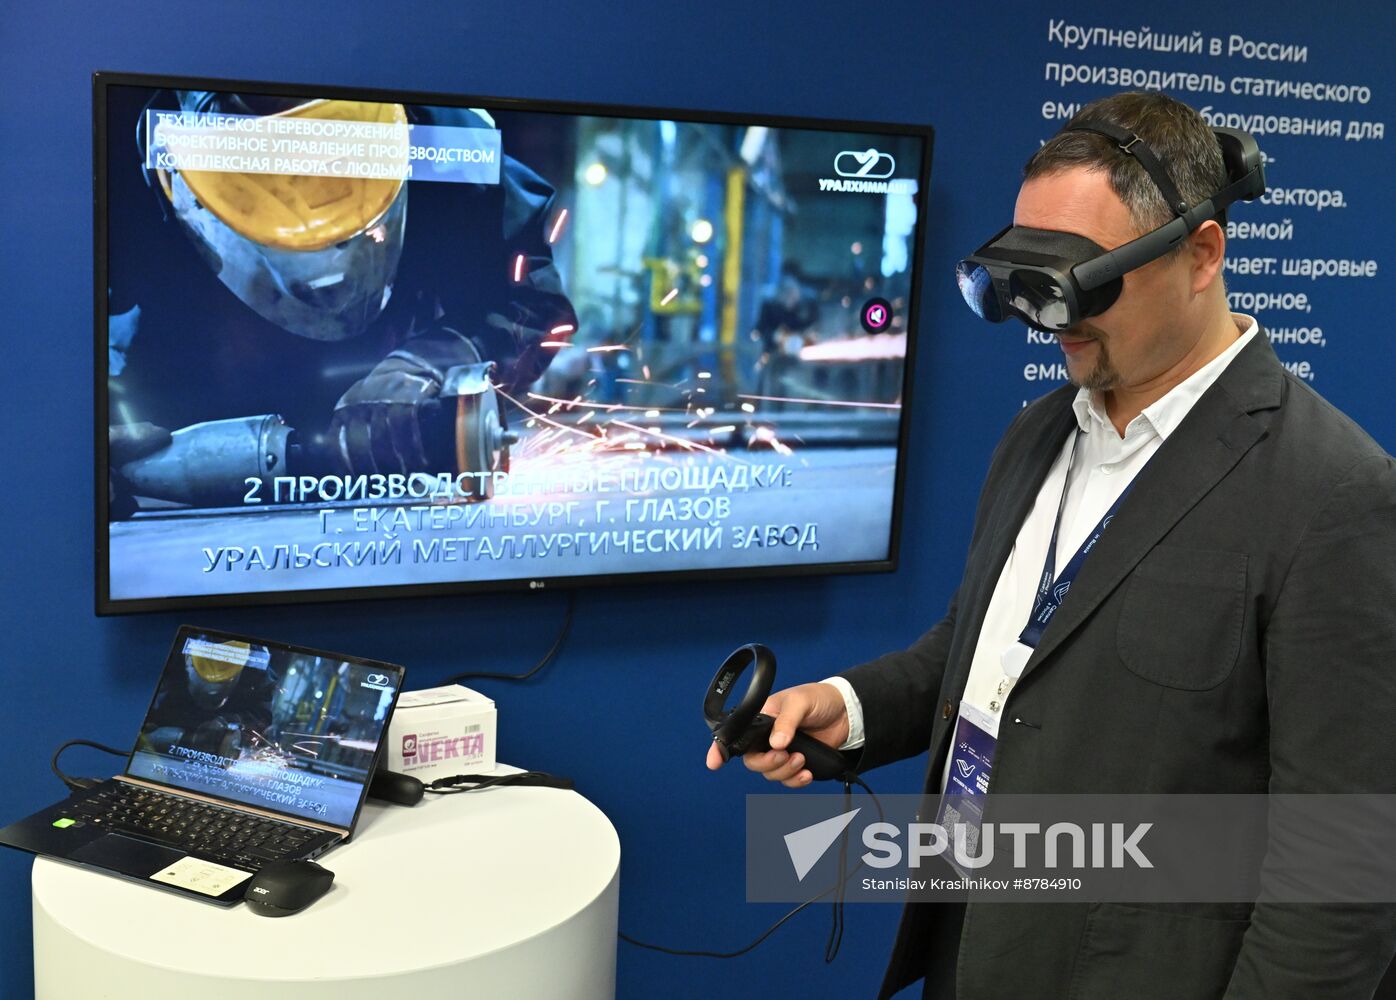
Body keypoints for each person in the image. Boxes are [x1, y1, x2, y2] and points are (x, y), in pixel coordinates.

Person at [707, 90, 1396, 999]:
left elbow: (1342, 871)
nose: (1051, 318)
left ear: (1201, 254)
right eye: (1027, 280)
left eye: (1081, 282)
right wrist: (852, 706)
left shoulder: (1333, 494)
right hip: (974, 937)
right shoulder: (1040, 432)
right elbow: (986, 649)